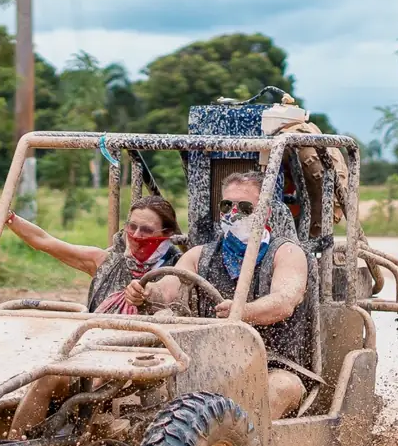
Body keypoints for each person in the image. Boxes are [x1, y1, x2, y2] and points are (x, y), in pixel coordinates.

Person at [130, 171, 313, 418]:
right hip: (204, 363)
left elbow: (284, 302)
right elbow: (169, 287)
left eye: (245, 207)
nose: (233, 213)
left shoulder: (287, 253)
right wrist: (146, 292)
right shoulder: (199, 255)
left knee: (276, 390)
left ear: (265, 213)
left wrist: (242, 312)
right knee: (147, 383)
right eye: (227, 205)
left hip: (275, 366)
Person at [0, 177, 181, 313]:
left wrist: (148, 294)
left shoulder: (179, 270)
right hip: (99, 348)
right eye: (132, 227)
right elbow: (44, 241)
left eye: (147, 231)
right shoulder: (104, 261)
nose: (137, 235)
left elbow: (168, 294)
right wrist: (0, 211)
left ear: (167, 233)